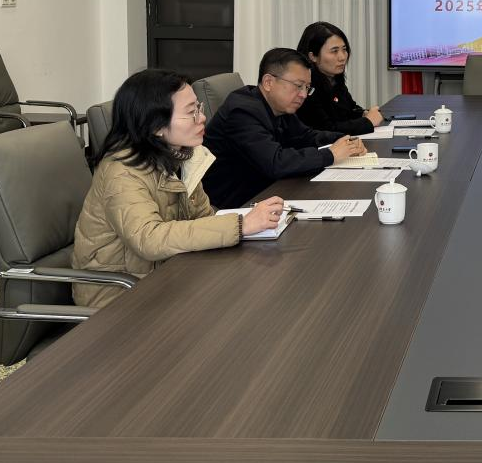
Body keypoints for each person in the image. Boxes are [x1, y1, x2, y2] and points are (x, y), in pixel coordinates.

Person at [72, 69, 284, 309]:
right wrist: (240, 224)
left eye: (198, 108)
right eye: (191, 112)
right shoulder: (121, 171)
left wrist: (248, 223)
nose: (202, 118)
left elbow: (203, 217)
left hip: (168, 275)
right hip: (118, 295)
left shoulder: (182, 156)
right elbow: (148, 239)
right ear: (157, 126)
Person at [202, 48, 366, 209]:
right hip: (235, 205)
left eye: (307, 88)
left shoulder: (279, 107)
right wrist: (331, 154)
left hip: (267, 192)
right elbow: (275, 163)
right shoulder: (242, 111)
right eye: (298, 86)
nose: (303, 95)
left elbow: (307, 136)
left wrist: (344, 140)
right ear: (268, 82)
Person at [296, 21, 382, 135]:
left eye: (344, 49)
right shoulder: (306, 87)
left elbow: (349, 109)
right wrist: (367, 121)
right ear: (313, 56)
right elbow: (325, 129)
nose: (342, 57)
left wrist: (363, 114)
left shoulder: (334, 79)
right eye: (334, 51)